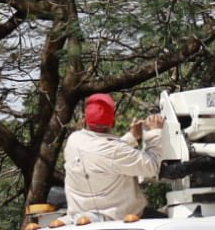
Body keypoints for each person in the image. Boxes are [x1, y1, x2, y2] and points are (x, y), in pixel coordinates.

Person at [63, 93, 165, 221]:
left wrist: (132, 137)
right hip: (119, 221)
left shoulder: (73, 141)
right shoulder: (114, 151)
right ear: (113, 122)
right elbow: (153, 166)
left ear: (84, 121)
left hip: (80, 219)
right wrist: (155, 132)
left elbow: (102, 154)